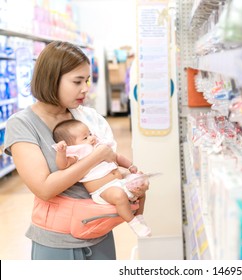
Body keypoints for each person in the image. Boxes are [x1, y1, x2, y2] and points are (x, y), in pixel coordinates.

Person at [3, 41, 149, 260]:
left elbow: (109, 167)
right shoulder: (22, 124)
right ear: (52, 79)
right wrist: (96, 156)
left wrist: (132, 180)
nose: (85, 88)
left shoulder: (86, 117)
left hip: (99, 231)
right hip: (56, 244)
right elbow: (44, 188)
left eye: (87, 80)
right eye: (77, 81)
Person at [52, 119, 151, 237]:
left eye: (89, 134)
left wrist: (130, 166)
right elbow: (63, 165)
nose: (91, 138)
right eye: (85, 138)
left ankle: (139, 216)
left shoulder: (99, 146)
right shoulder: (78, 154)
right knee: (120, 196)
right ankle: (133, 223)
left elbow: (117, 157)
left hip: (120, 182)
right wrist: (61, 153)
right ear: (72, 146)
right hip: (103, 191)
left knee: (141, 185)